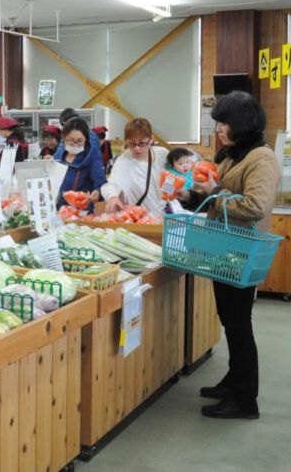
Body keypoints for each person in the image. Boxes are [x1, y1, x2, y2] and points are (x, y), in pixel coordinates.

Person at [179, 91, 278, 420]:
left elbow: (255, 206)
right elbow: (209, 199)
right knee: (229, 318)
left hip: (242, 249)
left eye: (224, 123)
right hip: (224, 248)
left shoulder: (261, 158)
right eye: (217, 122)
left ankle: (245, 399)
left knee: (238, 323)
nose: (218, 129)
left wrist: (215, 194)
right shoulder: (231, 154)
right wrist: (187, 194)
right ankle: (233, 381)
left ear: (243, 124)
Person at [101, 118, 169, 216]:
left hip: (162, 217)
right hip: (138, 218)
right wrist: (112, 197)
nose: (137, 148)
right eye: (132, 143)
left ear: (151, 139)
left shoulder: (162, 154)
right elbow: (112, 184)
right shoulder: (123, 161)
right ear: (126, 141)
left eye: (142, 143)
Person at [56, 118, 106, 208]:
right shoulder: (60, 153)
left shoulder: (92, 156)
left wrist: (97, 192)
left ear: (86, 139)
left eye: (79, 141)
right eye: (70, 140)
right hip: (60, 209)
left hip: (82, 211)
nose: (75, 144)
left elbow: (101, 183)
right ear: (63, 138)